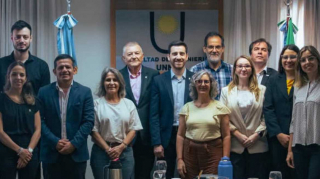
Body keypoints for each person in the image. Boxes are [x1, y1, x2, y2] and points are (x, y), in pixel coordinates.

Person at [37, 54, 94, 179]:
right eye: (60, 67)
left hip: (76, 153)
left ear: (75, 70)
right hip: (51, 153)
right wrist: (55, 141)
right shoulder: (43, 92)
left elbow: (88, 121)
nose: (64, 70)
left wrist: (73, 144)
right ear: (54, 71)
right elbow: (39, 121)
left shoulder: (85, 92)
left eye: (68, 67)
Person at [150, 40, 193, 179]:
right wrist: (157, 143)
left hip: (189, 137)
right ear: (168, 56)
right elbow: (154, 114)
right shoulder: (158, 80)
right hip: (166, 138)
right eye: (174, 54)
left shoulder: (195, 80)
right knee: (165, 175)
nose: (178, 57)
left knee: (188, 174)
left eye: (181, 53)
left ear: (186, 56)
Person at [220, 55, 268, 179]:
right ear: (235, 69)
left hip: (258, 146)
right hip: (235, 146)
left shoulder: (262, 90)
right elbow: (222, 117)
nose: (243, 69)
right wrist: (237, 134)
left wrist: (256, 135)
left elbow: (267, 117)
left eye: (247, 66)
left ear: (251, 69)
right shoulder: (226, 91)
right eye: (240, 66)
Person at [176, 70, 231, 179]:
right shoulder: (186, 107)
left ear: (211, 85)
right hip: (190, 154)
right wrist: (180, 159)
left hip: (213, 154)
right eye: (199, 81)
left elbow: (227, 136)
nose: (203, 84)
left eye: (206, 82)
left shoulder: (220, 108)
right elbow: (180, 136)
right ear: (194, 84)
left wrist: (225, 160)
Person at [90, 67, 143, 179]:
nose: (111, 83)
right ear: (103, 83)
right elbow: (93, 131)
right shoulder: (96, 104)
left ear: (120, 83)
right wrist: (107, 149)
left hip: (125, 152)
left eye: (115, 80)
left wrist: (121, 147)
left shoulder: (129, 104)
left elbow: (133, 129)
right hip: (101, 152)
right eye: (108, 80)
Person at [119, 42, 158, 179]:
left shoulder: (153, 75)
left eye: (136, 53)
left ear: (142, 56)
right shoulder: (117, 76)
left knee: (144, 174)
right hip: (124, 136)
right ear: (124, 58)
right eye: (129, 54)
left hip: (146, 136)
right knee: (125, 175)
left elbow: (156, 107)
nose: (133, 56)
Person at [263, 45, 299, 179]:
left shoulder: (305, 80)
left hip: (299, 138)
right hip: (277, 138)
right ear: (281, 59)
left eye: (293, 57)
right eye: (285, 57)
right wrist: (278, 133)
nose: (288, 60)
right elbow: (268, 108)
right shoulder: (273, 80)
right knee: (278, 173)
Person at [0, 62, 41, 179]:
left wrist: (28, 151)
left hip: (29, 152)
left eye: (21, 75)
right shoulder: (1, 99)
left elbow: (38, 130)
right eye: (14, 74)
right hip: (7, 151)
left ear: (26, 78)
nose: (18, 78)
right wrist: (19, 151)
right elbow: (0, 132)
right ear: (8, 76)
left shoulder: (33, 100)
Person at [286, 46, 320, 179]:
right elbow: (293, 121)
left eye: (311, 58)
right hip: (298, 147)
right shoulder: (298, 87)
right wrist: (290, 150)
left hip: (317, 146)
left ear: (317, 60)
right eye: (303, 60)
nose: (307, 62)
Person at [0, 20, 50, 94]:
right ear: (12, 38)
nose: (22, 40)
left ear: (31, 38)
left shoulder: (42, 66)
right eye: (18, 37)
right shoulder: (1, 64)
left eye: (25, 37)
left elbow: (45, 96)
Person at [190, 32, 232, 99]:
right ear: (204, 49)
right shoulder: (195, 70)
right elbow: (192, 96)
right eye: (211, 47)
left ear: (223, 49)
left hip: (227, 109)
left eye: (218, 47)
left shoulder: (232, 70)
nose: (214, 50)